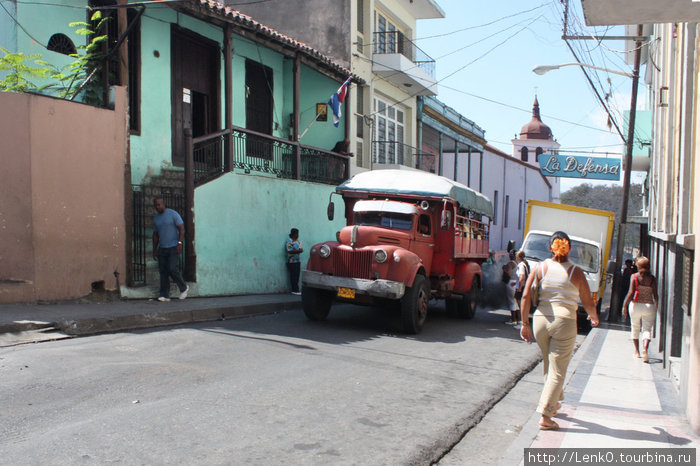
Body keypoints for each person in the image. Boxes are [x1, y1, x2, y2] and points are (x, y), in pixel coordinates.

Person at [519, 231, 599, 431]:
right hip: (564, 322)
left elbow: (526, 296)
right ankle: (546, 415)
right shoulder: (576, 272)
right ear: (569, 248)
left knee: (550, 364)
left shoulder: (540, 267)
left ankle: (553, 404)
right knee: (558, 370)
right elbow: (587, 301)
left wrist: (524, 323)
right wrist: (594, 316)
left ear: (550, 247)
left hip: (540, 321)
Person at [622, 256, 658, 362]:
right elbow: (655, 294)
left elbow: (631, 292)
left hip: (636, 305)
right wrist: (656, 305)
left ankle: (637, 352)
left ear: (638, 266)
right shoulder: (652, 279)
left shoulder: (634, 277)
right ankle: (645, 349)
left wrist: (624, 305)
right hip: (649, 306)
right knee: (647, 330)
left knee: (635, 327)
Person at [152, 198, 188, 302]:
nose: (157, 207)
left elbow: (181, 228)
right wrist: (155, 249)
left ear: (163, 204)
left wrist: (180, 243)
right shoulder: (156, 219)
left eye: (159, 205)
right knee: (163, 272)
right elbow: (155, 235)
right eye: (156, 205)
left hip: (173, 246)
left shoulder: (173, 214)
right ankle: (164, 295)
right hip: (162, 248)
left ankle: (184, 287)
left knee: (172, 268)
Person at [513, 250, 530, 327]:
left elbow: (522, 277)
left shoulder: (521, 265)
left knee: (520, 306)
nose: (516, 258)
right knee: (521, 305)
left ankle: (521, 323)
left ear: (519, 257)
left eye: (516, 257)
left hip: (522, 287)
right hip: (524, 287)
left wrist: (519, 287)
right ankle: (522, 322)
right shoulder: (525, 264)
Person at [286, 228, 303, 295]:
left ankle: (296, 289)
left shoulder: (298, 242)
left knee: (297, 276)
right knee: (293, 276)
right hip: (291, 262)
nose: (298, 235)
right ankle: (294, 290)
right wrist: (298, 251)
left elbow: (301, 249)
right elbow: (289, 251)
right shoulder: (289, 242)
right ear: (294, 234)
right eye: (297, 234)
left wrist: (298, 251)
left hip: (297, 261)